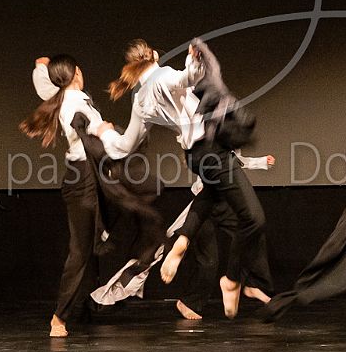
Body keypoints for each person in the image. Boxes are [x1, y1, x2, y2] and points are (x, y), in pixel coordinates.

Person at [99, 38, 272, 318]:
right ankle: (231, 280)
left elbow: (124, 146)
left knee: (210, 193)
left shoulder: (140, 100)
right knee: (254, 219)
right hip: (211, 149)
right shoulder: (163, 76)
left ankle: (183, 240)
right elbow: (187, 77)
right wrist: (194, 59)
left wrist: (104, 133)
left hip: (196, 156)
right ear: (153, 55)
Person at [21, 54, 118, 337]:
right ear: (76, 72)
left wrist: (41, 67)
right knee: (80, 250)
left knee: (90, 245)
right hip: (85, 177)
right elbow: (86, 125)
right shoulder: (75, 102)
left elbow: (44, 86)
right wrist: (103, 129)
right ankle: (59, 317)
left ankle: (87, 305)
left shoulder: (62, 95)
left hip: (86, 175)